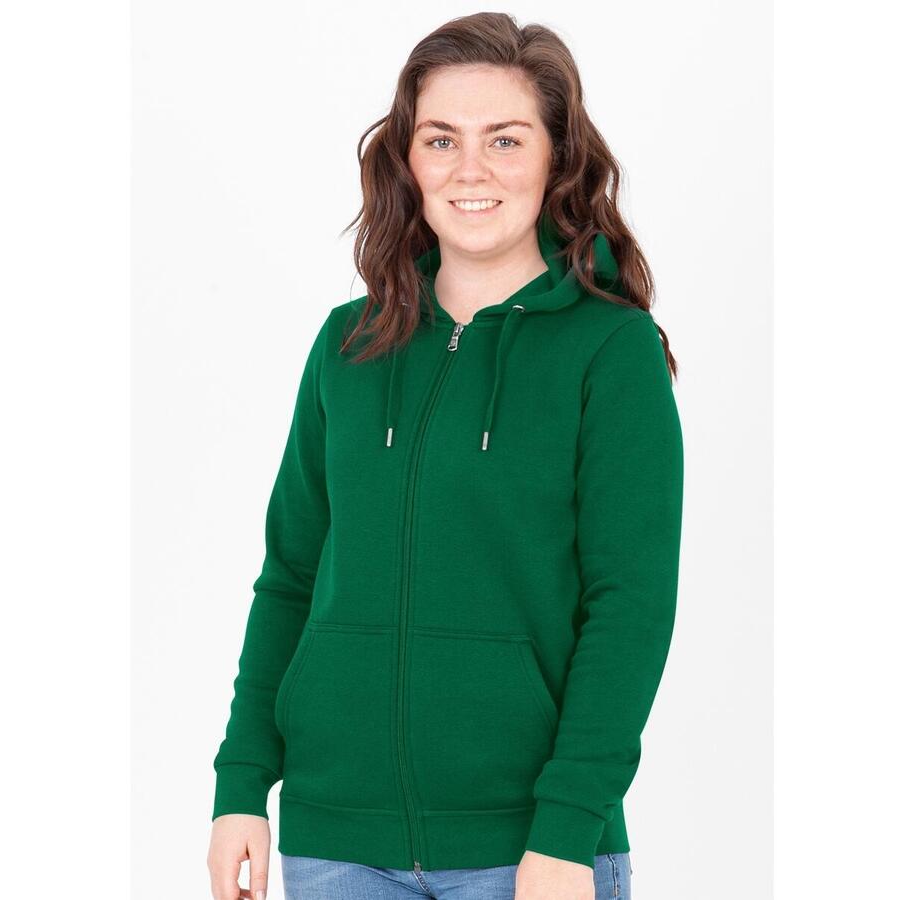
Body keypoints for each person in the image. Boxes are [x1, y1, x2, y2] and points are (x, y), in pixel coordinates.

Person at [207, 12, 683, 900]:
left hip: (529, 849)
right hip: (337, 841)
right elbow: (291, 576)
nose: (471, 170)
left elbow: (630, 609)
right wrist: (241, 784)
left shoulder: (610, 352)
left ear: (556, 157)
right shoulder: (347, 345)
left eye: (505, 139)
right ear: (407, 161)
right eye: (441, 139)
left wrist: (568, 829)